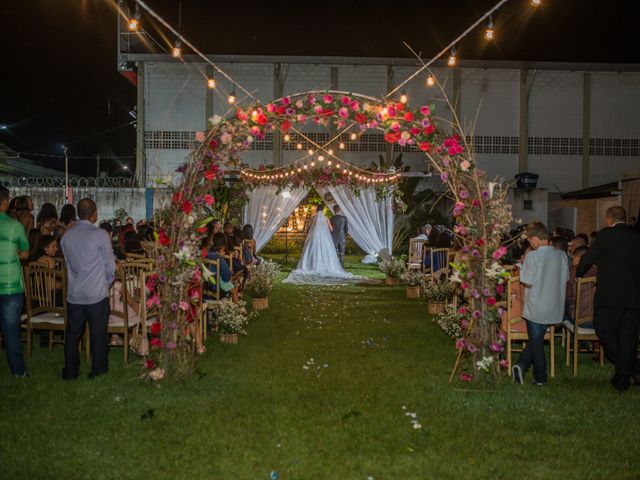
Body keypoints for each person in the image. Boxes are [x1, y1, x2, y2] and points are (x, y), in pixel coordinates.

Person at [577, 206, 640, 391]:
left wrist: (579, 273)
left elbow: (589, 257)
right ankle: (625, 376)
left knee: (603, 330)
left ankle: (626, 370)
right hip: (635, 298)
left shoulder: (606, 235)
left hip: (610, 296)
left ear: (608, 220)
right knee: (628, 337)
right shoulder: (637, 236)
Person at [61, 198, 116, 380]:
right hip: (96, 294)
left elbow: (68, 264)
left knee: (72, 335)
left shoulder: (66, 236)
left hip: (75, 293)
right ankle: (98, 370)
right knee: (98, 334)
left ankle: (70, 371)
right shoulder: (100, 235)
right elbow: (110, 266)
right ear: (94, 213)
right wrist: (106, 283)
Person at [512, 222, 569, 386]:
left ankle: (539, 378)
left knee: (536, 341)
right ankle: (521, 366)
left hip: (537, 303)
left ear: (535, 239)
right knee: (536, 339)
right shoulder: (561, 255)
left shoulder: (533, 256)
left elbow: (527, 282)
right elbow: (565, 279)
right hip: (554, 304)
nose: (530, 244)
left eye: (530, 241)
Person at [283, 205, 360, 285]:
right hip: (324, 238)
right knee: (325, 251)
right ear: (323, 210)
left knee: (311, 250)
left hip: (314, 237)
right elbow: (331, 229)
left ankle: (311, 265)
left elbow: (308, 226)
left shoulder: (313, 217)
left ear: (316, 210)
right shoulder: (326, 218)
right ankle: (326, 266)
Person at [0, 187, 29, 377]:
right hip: (10, 284)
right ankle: (18, 372)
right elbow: (26, 253)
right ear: (5, 202)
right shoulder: (15, 225)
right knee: (11, 333)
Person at [205, 232, 239, 303]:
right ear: (223, 246)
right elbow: (226, 278)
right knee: (233, 290)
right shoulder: (219, 258)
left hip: (205, 288)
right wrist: (229, 272)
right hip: (216, 289)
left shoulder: (206, 255)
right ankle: (237, 310)